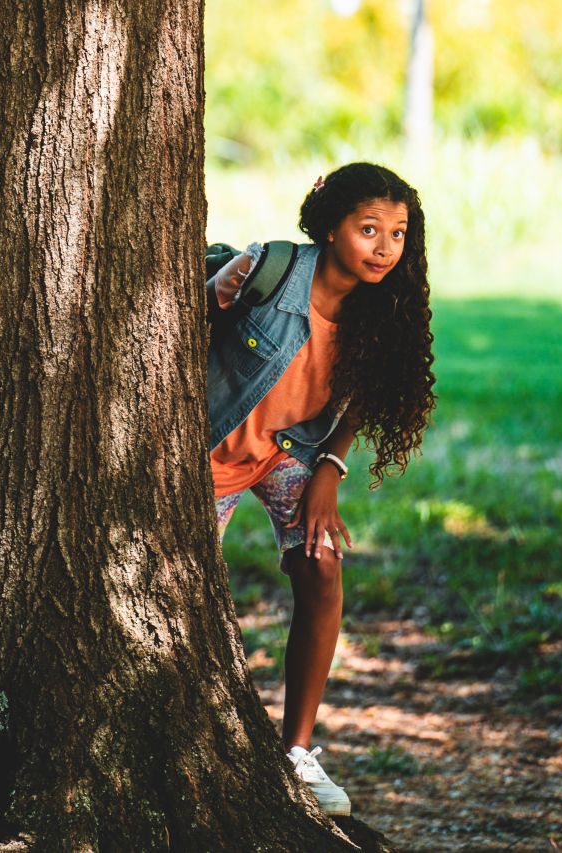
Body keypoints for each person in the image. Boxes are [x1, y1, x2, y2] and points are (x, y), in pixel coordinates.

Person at [206, 162, 436, 815]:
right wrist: (211, 288)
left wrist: (328, 472)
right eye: (369, 229)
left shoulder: (380, 308)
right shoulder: (271, 269)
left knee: (323, 562)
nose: (385, 247)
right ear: (332, 227)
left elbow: (357, 396)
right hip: (208, 451)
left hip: (283, 452)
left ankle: (296, 753)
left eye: (397, 233)